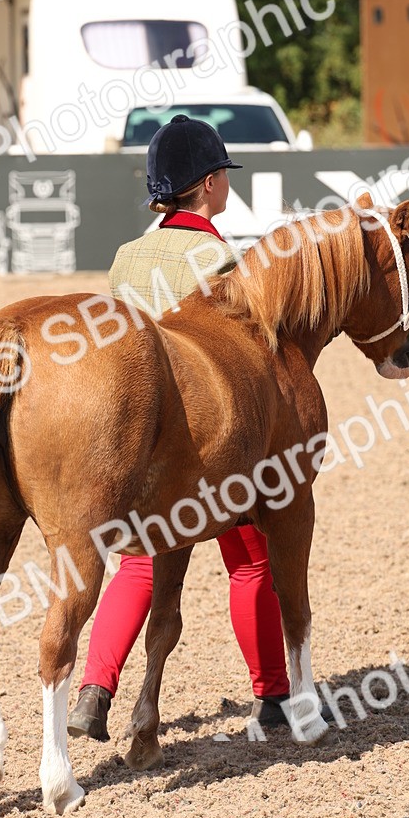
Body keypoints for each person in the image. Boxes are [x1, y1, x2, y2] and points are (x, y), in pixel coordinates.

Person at [67, 113, 294, 741]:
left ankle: (94, 689)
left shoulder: (125, 258)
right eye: (223, 176)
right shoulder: (218, 256)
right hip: (202, 432)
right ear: (210, 183)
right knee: (250, 557)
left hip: (133, 427)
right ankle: (272, 695)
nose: (226, 185)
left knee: (136, 562)